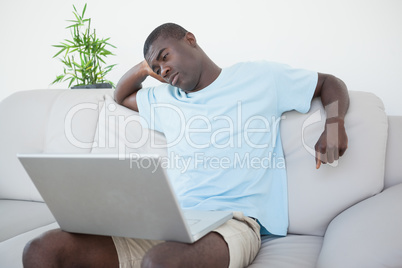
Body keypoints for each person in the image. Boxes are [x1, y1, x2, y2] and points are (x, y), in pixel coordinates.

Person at [23, 22, 349, 268]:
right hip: (171, 221)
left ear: (190, 40)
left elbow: (329, 82)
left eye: (165, 57)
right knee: (41, 250)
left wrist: (334, 124)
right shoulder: (167, 99)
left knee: (160, 262)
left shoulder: (260, 77)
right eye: (157, 68)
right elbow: (120, 96)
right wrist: (144, 68)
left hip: (235, 222)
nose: (164, 70)